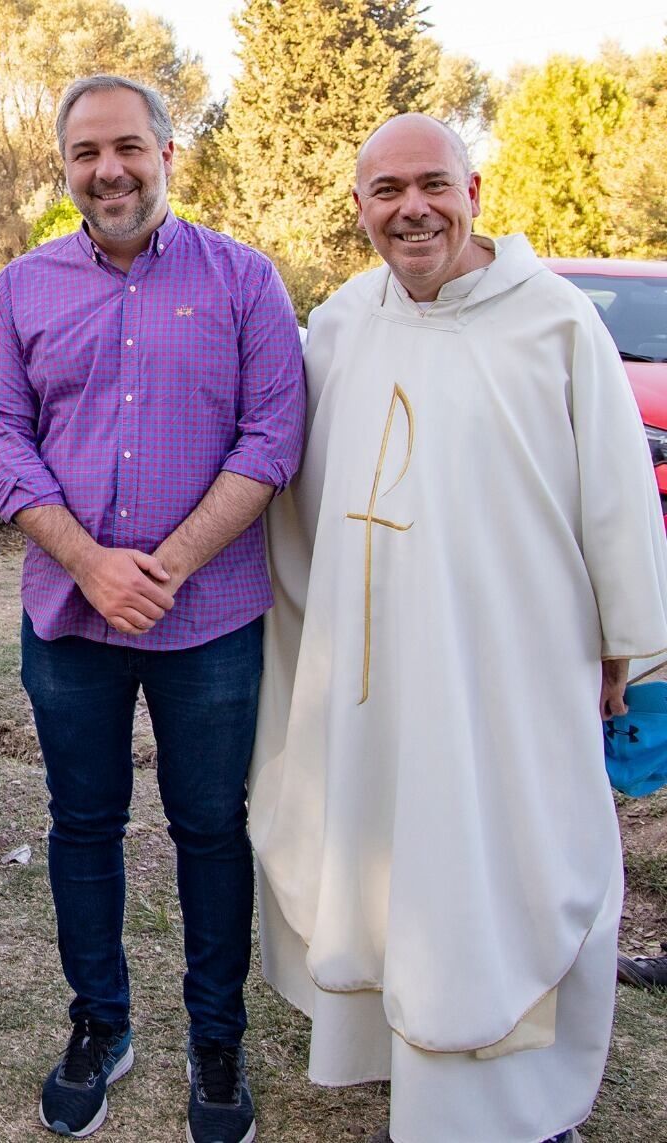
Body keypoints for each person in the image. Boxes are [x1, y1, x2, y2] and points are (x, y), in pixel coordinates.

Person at [250, 113, 667, 1143]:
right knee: (393, 864)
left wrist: (625, 647)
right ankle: (403, 1053)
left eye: (433, 183)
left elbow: (618, 501)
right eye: (387, 191)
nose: (413, 209)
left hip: (513, 673)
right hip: (376, 675)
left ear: (473, 190)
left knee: (513, 860)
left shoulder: (554, 322)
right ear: (358, 207)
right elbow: (300, 500)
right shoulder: (341, 324)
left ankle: (521, 1099)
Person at [0, 75, 304, 1141]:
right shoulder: (19, 292)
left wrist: (161, 566)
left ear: (168, 153)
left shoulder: (246, 280)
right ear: (64, 167)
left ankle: (217, 1038)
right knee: (82, 823)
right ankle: (98, 1023)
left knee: (209, 826)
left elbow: (272, 439)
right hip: (69, 622)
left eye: (126, 147)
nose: (107, 170)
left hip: (210, 621)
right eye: (85, 153)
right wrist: (90, 565)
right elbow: (3, 439)